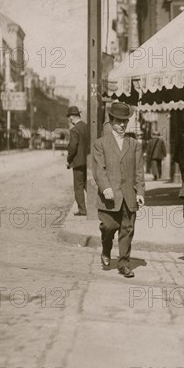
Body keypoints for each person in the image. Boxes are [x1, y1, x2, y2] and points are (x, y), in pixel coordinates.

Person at [93, 102, 145, 278]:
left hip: (129, 195)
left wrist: (140, 192)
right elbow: (99, 169)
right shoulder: (101, 144)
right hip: (109, 195)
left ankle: (124, 263)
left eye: (125, 121)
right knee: (109, 226)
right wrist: (105, 187)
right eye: (118, 121)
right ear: (111, 120)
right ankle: (106, 248)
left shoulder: (134, 144)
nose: (122, 125)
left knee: (127, 229)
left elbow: (139, 171)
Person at [66, 106, 89, 216]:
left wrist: (68, 160)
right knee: (86, 184)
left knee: (78, 186)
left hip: (78, 162)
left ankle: (82, 210)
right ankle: (98, 203)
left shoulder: (74, 130)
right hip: (86, 160)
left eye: (69, 117)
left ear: (72, 117)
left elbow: (73, 147)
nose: (69, 119)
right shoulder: (86, 127)